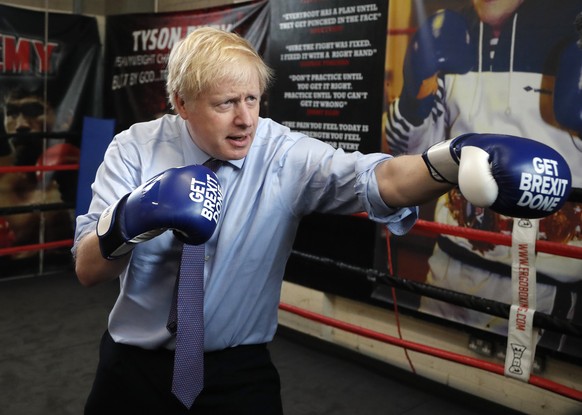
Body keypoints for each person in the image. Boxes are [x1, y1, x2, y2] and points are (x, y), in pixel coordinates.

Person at [72, 27, 571, 414]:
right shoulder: (135, 148)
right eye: (225, 104)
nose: (246, 119)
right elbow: (88, 269)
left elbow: (379, 180)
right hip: (132, 366)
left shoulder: (281, 153)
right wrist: (135, 216)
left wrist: (452, 163)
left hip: (237, 370)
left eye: (252, 99)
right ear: (181, 104)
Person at [385, 0, 582, 357]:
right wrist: (416, 96)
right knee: (425, 381)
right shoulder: (453, 30)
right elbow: (410, 153)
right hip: (448, 261)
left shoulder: (574, 24)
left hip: (538, 284)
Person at [0, 86, 78, 269]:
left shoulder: (77, 167)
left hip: (62, 280)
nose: (20, 125)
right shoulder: (3, 176)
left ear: (65, 120)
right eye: (11, 113)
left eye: (33, 112)